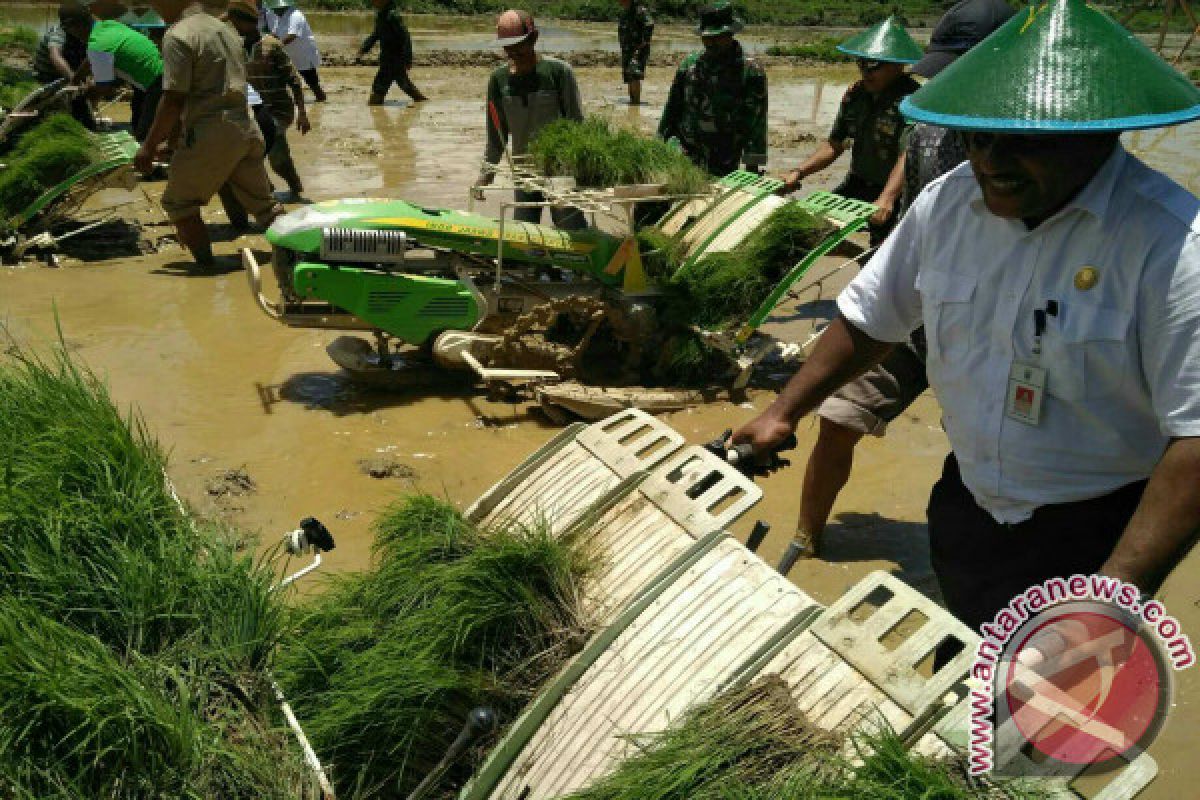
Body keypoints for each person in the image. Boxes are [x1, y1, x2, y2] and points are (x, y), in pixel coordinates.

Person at [733, 0, 1200, 634]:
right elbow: (872, 319)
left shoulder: (1172, 245)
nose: (989, 160)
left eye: (1021, 139)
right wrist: (783, 409)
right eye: (979, 136)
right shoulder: (948, 204)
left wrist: (1110, 596)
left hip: (1094, 532)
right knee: (973, 673)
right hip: (968, 503)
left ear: (1099, 130)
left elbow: (1196, 437)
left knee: (1054, 714)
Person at [789, 0, 1014, 561]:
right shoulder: (930, 119)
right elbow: (911, 180)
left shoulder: (1042, 147)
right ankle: (805, 539)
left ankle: (983, 572)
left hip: (992, 333)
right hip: (917, 310)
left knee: (983, 463)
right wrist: (782, 410)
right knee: (839, 418)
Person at [134, 0, 282, 269]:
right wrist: (173, 140)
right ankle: (298, 257)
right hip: (245, 125)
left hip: (211, 130)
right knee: (265, 206)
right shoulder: (225, 30)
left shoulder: (179, 35)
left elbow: (174, 99)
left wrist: (149, 146)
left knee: (179, 204)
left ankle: (207, 269)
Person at [778, 16, 921, 245]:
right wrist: (799, 171)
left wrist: (886, 199)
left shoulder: (912, 102)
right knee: (808, 230)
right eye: (861, 63)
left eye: (874, 65)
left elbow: (909, 155)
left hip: (895, 192)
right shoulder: (856, 95)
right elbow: (835, 144)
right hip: (858, 183)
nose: (865, 72)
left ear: (897, 65)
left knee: (883, 255)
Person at [474, 10, 586, 229]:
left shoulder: (558, 72)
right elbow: (496, 136)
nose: (513, 52)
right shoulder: (498, 80)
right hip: (524, 170)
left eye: (519, 45)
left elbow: (576, 124)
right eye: (508, 47)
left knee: (572, 230)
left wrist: (583, 170)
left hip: (560, 169)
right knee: (525, 234)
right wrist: (486, 174)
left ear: (534, 38)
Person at [657, 1, 766, 177]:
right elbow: (672, 109)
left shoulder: (750, 71)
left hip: (723, 158)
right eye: (706, 37)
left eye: (717, 37)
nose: (710, 42)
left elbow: (756, 124)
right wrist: (658, 146)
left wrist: (752, 172)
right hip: (683, 151)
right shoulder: (690, 64)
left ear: (730, 33)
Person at [225, 0, 310, 200]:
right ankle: (268, 191)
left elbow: (294, 81)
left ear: (249, 22)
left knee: (274, 155)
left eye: (237, 22)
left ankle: (292, 189)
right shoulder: (235, 48)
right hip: (254, 110)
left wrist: (303, 114)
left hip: (279, 110)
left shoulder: (272, 45)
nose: (235, 27)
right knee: (254, 152)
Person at [61, 0, 163, 141]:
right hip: (158, 75)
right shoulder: (108, 25)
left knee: (146, 137)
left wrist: (83, 97)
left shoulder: (98, 45)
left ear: (71, 28)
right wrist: (76, 79)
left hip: (157, 84)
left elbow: (103, 87)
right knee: (140, 121)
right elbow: (90, 59)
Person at [32, 7, 96, 130]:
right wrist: (73, 77)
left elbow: (91, 59)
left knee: (84, 118)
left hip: (73, 78)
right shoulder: (58, 33)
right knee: (58, 114)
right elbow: (55, 56)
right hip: (48, 79)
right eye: (81, 25)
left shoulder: (89, 32)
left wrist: (90, 78)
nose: (85, 28)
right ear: (69, 25)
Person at [358, 0, 427, 106]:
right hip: (387, 57)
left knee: (382, 85)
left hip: (396, 58)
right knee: (403, 84)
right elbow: (376, 34)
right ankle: (422, 102)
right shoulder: (381, 15)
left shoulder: (393, 16)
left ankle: (376, 104)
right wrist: (364, 48)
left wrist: (408, 58)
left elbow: (405, 37)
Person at [264, 0, 325, 103]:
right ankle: (285, 100)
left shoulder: (296, 15)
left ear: (283, 7)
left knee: (311, 80)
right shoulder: (280, 17)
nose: (274, 11)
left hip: (303, 53)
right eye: (273, 9)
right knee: (283, 77)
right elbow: (275, 33)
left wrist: (276, 46)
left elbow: (292, 35)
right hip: (290, 53)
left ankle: (321, 98)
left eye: (276, 9)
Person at [616, 0, 653, 106]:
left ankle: (636, 103)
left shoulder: (639, 11)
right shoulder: (625, 13)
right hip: (627, 50)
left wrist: (644, 41)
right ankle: (632, 102)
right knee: (629, 76)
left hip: (637, 50)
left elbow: (649, 24)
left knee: (634, 75)